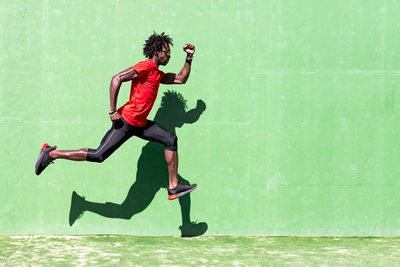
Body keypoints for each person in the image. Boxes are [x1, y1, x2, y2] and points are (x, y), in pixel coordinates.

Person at [35, 32, 197, 200]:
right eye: (167, 52)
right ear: (156, 51)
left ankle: (173, 186)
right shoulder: (146, 66)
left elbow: (181, 79)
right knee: (99, 155)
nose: (169, 56)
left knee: (170, 139)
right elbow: (117, 78)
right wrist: (113, 110)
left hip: (140, 125)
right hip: (126, 122)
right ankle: (52, 153)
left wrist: (189, 58)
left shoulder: (157, 74)